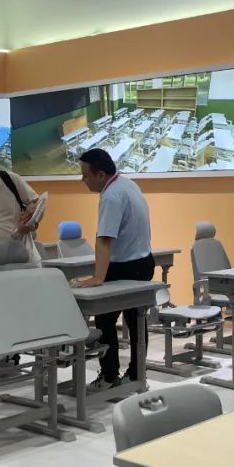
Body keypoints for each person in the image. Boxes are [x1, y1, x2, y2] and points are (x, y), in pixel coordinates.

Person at [77, 147, 154, 392]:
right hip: (143, 262)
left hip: (125, 268)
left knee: (104, 320)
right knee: (137, 321)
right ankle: (137, 375)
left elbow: (104, 239)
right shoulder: (128, 184)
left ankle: (109, 377)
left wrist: (98, 277)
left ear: (100, 175)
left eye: (85, 175)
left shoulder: (110, 196)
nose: (82, 180)